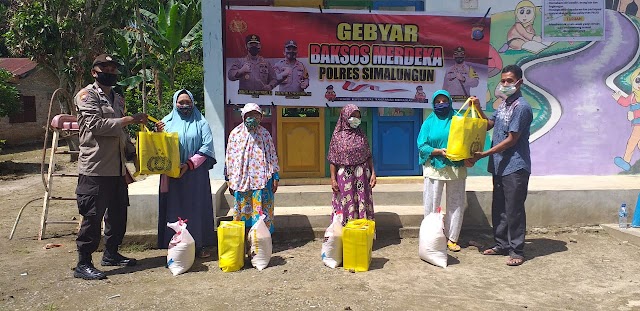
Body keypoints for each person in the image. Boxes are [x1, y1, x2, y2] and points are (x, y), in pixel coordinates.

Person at [73, 54, 147, 280]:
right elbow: (96, 125)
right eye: (105, 68)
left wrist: (133, 152)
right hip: (95, 168)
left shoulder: (118, 98)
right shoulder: (87, 96)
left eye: (114, 68)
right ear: (94, 71)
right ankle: (83, 263)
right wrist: (130, 120)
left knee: (118, 213)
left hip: (116, 168)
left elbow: (119, 133)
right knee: (93, 216)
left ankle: (111, 253)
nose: (111, 72)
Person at [470, 64, 533, 266]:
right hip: (499, 165)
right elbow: (489, 124)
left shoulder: (521, 107)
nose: (505, 84)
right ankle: (501, 244)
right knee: (499, 207)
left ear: (519, 82)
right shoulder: (504, 104)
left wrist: (484, 154)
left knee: (514, 209)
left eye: (509, 81)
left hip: (515, 166)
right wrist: (478, 108)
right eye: (503, 80)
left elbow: (512, 140)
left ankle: (517, 251)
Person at [155, 89, 216, 258]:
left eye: (187, 102)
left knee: (196, 208)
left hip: (195, 174)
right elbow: (158, 146)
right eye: (180, 102)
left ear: (193, 103)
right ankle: (175, 245)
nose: (184, 106)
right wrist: (158, 133)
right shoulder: (165, 122)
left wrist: (189, 164)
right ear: (174, 103)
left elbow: (207, 147)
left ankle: (199, 245)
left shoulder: (201, 122)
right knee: (174, 209)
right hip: (172, 174)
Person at [417, 90, 473, 252]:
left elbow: (470, 138)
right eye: (438, 101)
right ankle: (430, 237)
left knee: (456, 204)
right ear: (434, 104)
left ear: (450, 101)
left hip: (456, 167)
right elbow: (422, 145)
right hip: (434, 167)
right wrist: (438, 151)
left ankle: (452, 238)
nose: (441, 104)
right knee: (431, 204)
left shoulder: (459, 119)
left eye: (444, 100)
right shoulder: (429, 122)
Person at [225, 103, 280, 233]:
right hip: (241, 181)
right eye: (249, 115)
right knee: (243, 215)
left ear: (261, 117)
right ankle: (244, 242)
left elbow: (272, 155)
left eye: (256, 115)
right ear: (243, 116)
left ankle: (261, 241)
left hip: (263, 182)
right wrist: (229, 178)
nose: (253, 118)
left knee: (262, 213)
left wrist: (276, 176)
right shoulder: (235, 134)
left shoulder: (265, 134)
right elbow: (229, 157)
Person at [327, 104, 376, 226]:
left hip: (362, 176)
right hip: (345, 177)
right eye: (352, 116)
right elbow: (333, 159)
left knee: (362, 202)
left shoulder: (361, 135)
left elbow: (368, 155)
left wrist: (373, 173)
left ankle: (362, 234)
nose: (356, 119)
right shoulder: (337, 136)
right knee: (346, 203)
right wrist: (333, 179)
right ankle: (344, 234)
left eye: (358, 116)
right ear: (345, 116)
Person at [612, 67, 640, 171]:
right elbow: (625, 102)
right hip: (636, 124)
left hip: (638, 124)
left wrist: (634, 115)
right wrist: (618, 98)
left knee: (632, 142)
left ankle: (626, 161)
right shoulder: (633, 96)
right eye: (638, 80)